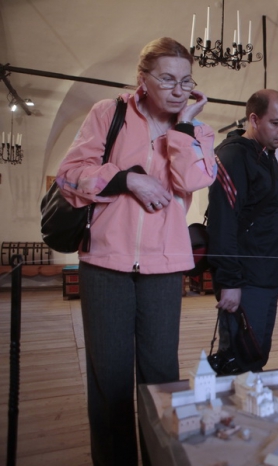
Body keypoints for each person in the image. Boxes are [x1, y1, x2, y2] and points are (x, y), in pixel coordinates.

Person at [56, 37, 216, 465]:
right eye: (167, 79)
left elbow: (194, 182)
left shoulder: (199, 131)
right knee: (109, 379)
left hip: (165, 265)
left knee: (162, 377)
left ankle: (161, 459)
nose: (178, 90)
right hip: (104, 263)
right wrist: (128, 179)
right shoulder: (108, 114)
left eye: (186, 81)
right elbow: (69, 175)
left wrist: (183, 128)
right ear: (142, 79)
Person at [207, 89, 278, 374]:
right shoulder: (234, 156)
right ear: (254, 120)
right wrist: (230, 281)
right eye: (276, 123)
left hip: (266, 278)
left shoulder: (266, 155)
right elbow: (223, 223)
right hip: (245, 281)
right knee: (238, 363)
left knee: (256, 358)